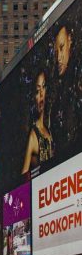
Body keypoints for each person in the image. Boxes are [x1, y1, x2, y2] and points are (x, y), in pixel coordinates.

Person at [51, 25, 82, 159]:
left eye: (62, 47)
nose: (58, 58)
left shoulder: (77, 76)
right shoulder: (59, 89)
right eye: (56, 52)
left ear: (70, 40)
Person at [22, 70, 53, 174]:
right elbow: (23, 175)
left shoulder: (48, 129)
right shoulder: (33, 136)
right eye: (37, 90)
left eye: (43, 87)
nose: (41, 94)